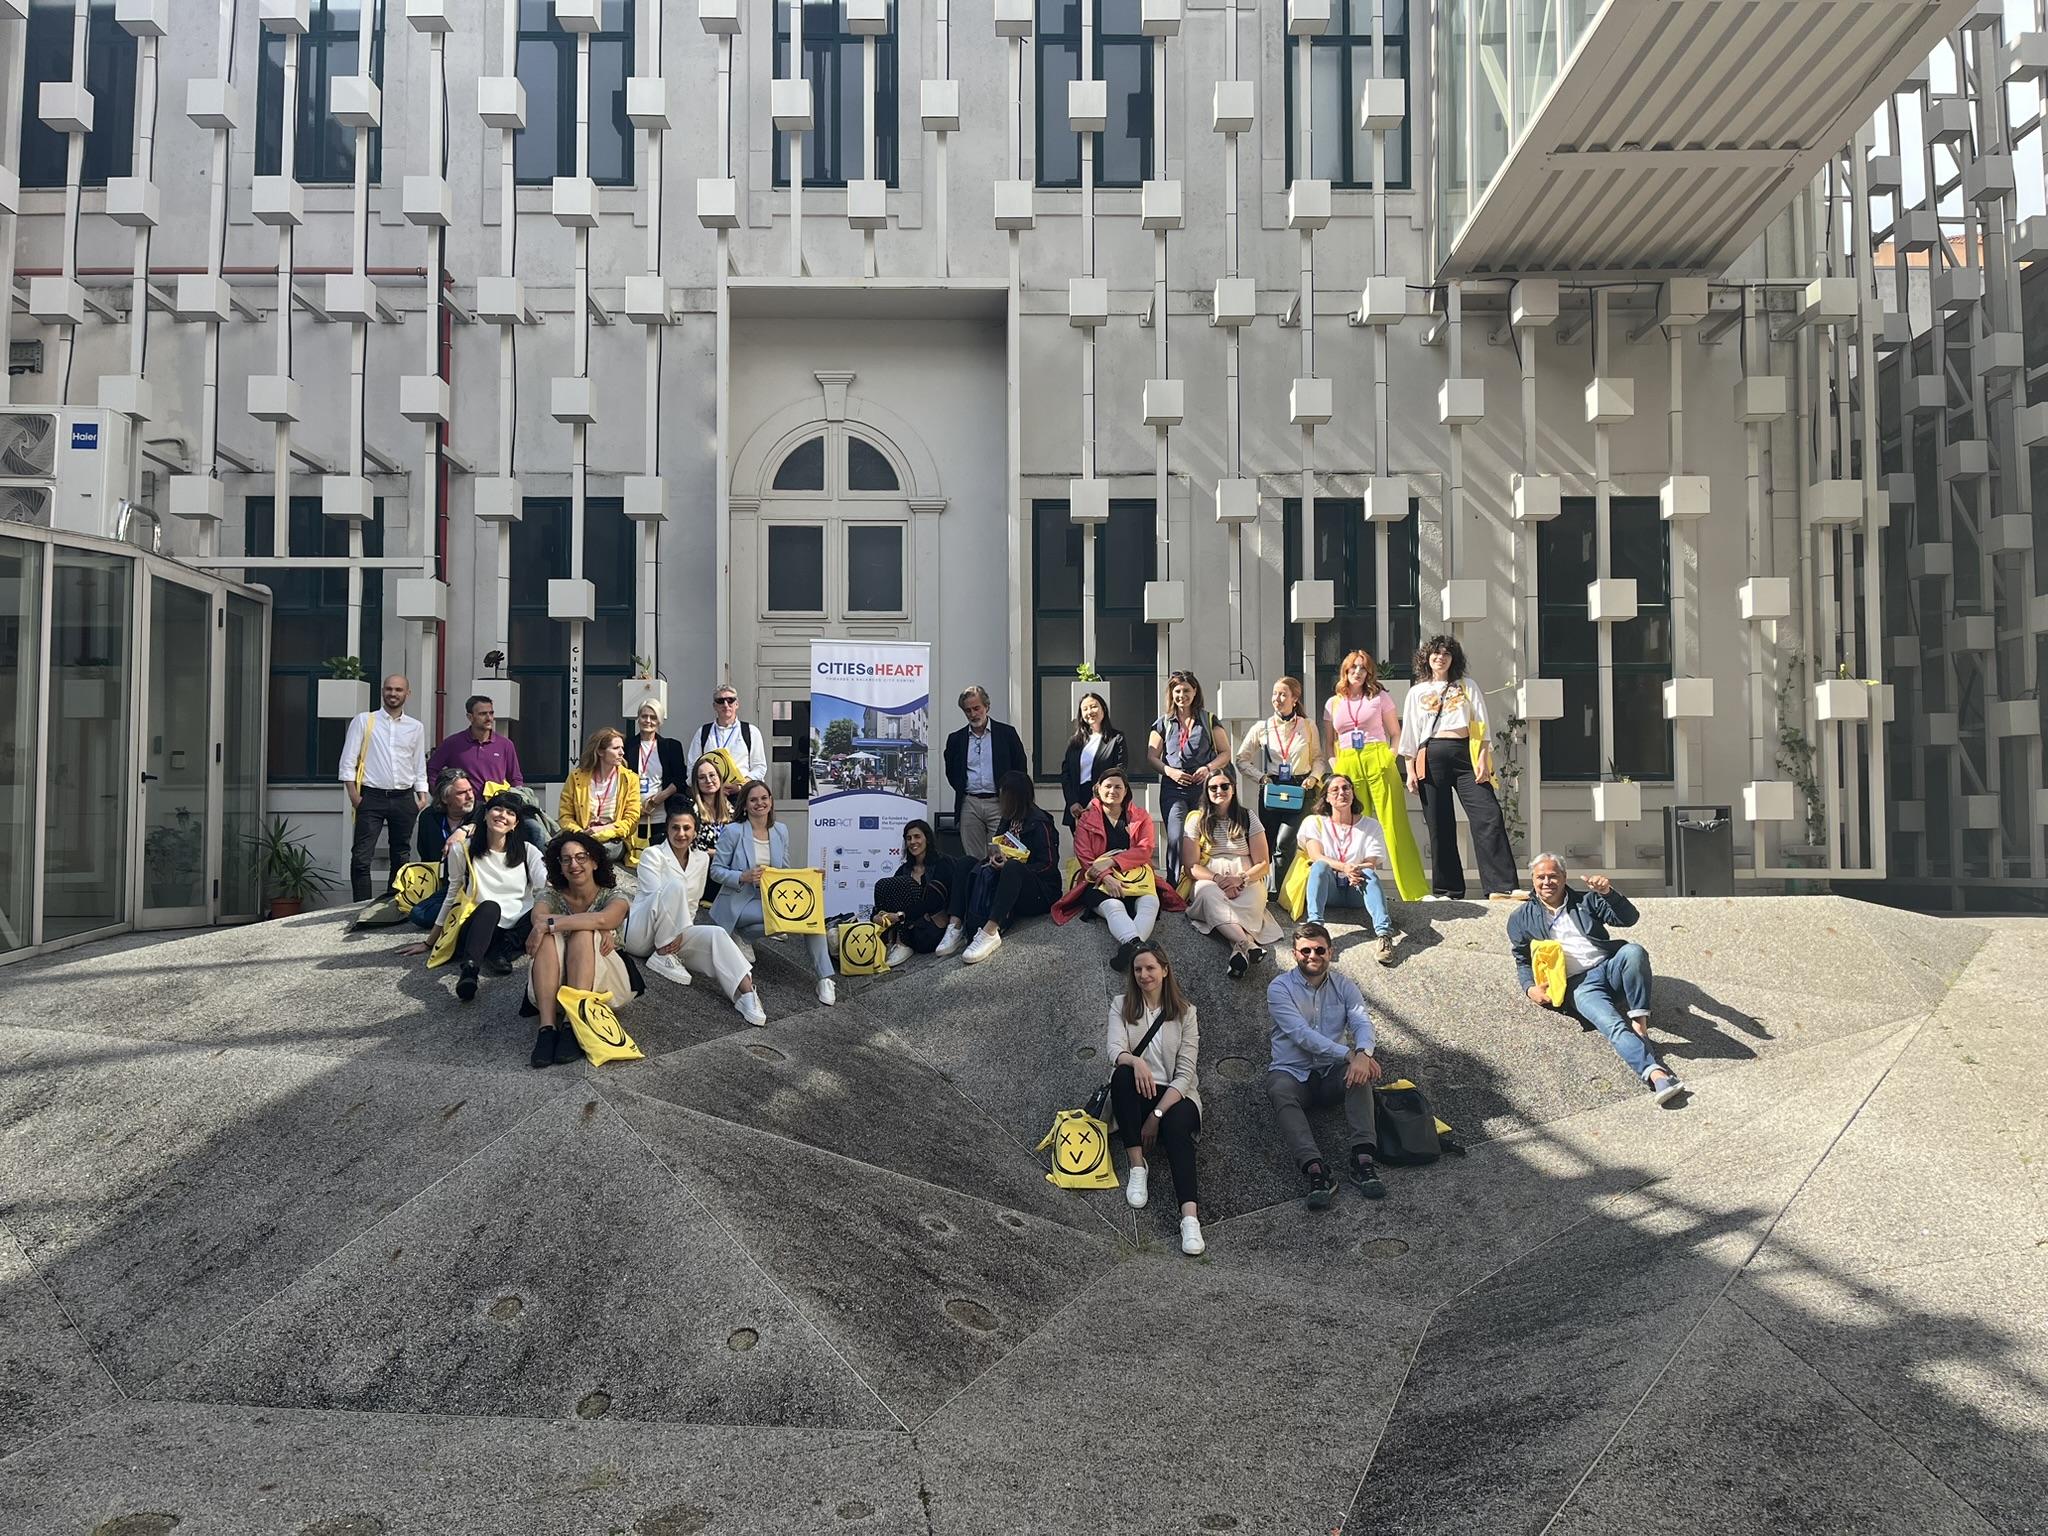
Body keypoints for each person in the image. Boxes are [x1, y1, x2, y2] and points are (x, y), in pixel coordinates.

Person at [1509, 853, 1688, 1105]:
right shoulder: (1521, 918)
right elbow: (1522, 959)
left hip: (1608, 967)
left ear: (1564, 877)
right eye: (1541, 877)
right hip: (1579, 985)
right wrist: (1529, 988)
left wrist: (1608, 893)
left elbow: (1629, 919)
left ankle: (1639, 1021)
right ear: (1533, 880)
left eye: (1553, 876)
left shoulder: (1585, 900)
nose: (1547, 881)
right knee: (1613, 1025)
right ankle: (1657, 1076)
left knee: (1633, 951)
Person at [1266, 921, 1386, 1208]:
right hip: (1293, 1073)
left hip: (1331, 1074)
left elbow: (1361, 1022)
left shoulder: (1345, 986)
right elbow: (1300, 1034)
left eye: (1320, 949)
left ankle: (1362, 1158)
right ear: (1294, 954)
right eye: (1305, 950)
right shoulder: (1279, 988)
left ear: (1330, 952)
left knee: (1361, 1072)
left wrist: (1364, 1053)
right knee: (1279, 1089)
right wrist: (1348, 1054)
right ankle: (1315, 1169)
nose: (1313, 955)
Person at [622, 808, 771, 1028]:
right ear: (667, 829)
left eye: (686, 828)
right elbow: (657, 895)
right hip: (640, 932)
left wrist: (681, 932)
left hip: (675, 932)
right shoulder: (652, 854)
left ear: (694, 832)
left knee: (717, 934)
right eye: (675, 827)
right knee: (675, 886)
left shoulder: (701, 859)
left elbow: (691, 906)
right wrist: (675, 932)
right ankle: (663, 955)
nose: (681, 833)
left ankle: (746, 995)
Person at [1401, 635, 1520, 901]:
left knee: (1488, 815)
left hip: (1466, 754)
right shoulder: (1416, 692)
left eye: (1446, 653)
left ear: (1453, 659)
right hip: (1430, 755)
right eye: (1435, 653)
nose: (1440, 658)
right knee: (1439, 824)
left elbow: (1481, 723)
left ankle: (1501, 886)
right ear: (1426, 658)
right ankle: (1448, 890)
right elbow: (1409, 733)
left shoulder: (1467, 686)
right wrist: (1409, 770)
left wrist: (1481, 760)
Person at [1107, 942, 1206, 1257]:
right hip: (1136, 1087)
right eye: (1138, 969)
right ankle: (1138, 1165)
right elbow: (1114, 1050)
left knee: (1177, 1129)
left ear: (1165, 970)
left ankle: (1189, 1219)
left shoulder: (1186, 1012)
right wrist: (1135, 1062)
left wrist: (1157, 1116)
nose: (1143, 975)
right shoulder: (1121, 1004)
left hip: (1176, 1095)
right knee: (1121, 1074)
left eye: (1150, 968)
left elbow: (1186, 1073)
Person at [710, 780, 838, 1006]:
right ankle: (741, 932)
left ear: (771, 801)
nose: (759, 803)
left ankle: (825, 978)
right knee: (793, 918)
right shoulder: (733, 831)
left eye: (764, 798)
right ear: (745, 805)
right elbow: (716, 871)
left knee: (812, 917)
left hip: (770, 900)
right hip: (739, 901)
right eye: (753, 799)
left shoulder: (780, 831)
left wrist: (811, 876)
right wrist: (743, 876)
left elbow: (784, 872)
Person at [1050, 767, 1184, 970]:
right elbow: (1085, 857)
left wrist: (1111, 862)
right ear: (1098, 789)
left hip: (1138, 878)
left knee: (1150, 902)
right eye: (1108, 786)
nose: (1113, 790)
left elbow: (1144, 851)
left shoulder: (1140, 817)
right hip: (1097, 882)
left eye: (1118, 787)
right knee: (1114, 907)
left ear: (1126, 790)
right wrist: (1107, 877)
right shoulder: (1086, 819)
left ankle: (1132, 950)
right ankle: (1140, 950)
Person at [525, 830, 637, 1070]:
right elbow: (538, 918)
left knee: (583, 933)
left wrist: (560, 925)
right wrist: (595, 923)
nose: (573, 864)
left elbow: (605, 919)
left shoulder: (614, 896)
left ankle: (573, 1023)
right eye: (566, 859)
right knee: (548, 937)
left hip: (605, 985)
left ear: (595, 862)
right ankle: (546, 1028)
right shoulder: (550, 894)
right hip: (553, 986)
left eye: (581, 857)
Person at [428, 791, 545, 1002]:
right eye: (498, 809)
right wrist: (431, 941)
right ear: (485, 814)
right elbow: (453, 893)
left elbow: (545, 883)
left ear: (516, 823)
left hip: (516, 932)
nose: (502, 815)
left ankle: (502, 950)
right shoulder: (463, 850)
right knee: (491, 906)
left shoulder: (528, 851)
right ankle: (470, 971)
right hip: (479, 926)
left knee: (540, 908)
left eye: (510, 813)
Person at [933, 769, 1060, 964]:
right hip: (1007, 884)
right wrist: (993, 859)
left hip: (1039, 891)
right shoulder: (1008, 820)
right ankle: (956, 925)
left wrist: (1016, 867)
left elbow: (1049, 865)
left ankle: (991, 930)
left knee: (1013, 868)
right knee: (966, 862)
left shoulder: (1039, 823)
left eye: (1003, 792)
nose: (999, 797)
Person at [337, 673, 429, 903]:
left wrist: (422, 794)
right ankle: (360, 906)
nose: (393, 693)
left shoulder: (415, 727)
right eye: (389, 689)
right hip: (372, 796)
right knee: (361, 857)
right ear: (382, 692)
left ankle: (392, 904)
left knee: (401, 855)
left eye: (398, 690)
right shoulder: (364, 720)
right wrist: (354, 796)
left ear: (407, 694)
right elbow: (349, 759)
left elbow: (418, 762)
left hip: (404, 797)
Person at [1181, 770, 1281, 979]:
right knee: (1208, 897)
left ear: (1233, 789)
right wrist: (1218, 880)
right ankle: (1246, 944)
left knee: (1250, 902)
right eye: (1213, 787)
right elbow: (1190, 866)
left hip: (1247, 879)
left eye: (1225, 786)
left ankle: (1240, 951)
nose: (1219, 791)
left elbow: (1263, 863)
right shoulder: (1196, 820)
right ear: (1206, 792)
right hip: (1209, 879)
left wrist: (1241, 880)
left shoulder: (1248, 817)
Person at [1298, 775, 1399, 966]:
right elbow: (1315, 856)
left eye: (1346, 788)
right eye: (1334, 790)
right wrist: (1345, 867)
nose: (1341, 793)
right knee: (1319, 867)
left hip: (1356, 888)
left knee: (1369, 873)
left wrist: (1356, 870)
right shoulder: (1314, 822)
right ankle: (1315, 931)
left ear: (1353, 793)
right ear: (1326, 798)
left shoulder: (1371, 825)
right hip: (1329, 890)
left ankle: (1384, 935)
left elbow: (1371, 862)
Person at [1236, 675, 1323, 895]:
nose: (1277, 698)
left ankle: (1280, 892)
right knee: (1267, 842)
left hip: (1301, 789)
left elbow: (1319, 759)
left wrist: (1313, 778)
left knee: (1286, 842)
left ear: (1295, 698)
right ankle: (1262, 891)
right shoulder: (1262, 727)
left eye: (1283, 694)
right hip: (1272, 789)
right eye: (1275, 693)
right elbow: (1241, 759)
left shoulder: (1308, 725)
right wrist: (1261, 777)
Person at [1148, 670, 1229, 885]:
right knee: (1176, 838)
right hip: (1173, 790)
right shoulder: (1163, 723)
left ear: (1195, 692)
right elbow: (1152, 757)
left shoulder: (1209, 720)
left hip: (1204, 789)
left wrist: (1208, 768)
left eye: (1186, 690)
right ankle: (1173, 889)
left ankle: (1203, 884)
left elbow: (1226, 753)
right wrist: (1170, 771)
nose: (1181, 695)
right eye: (1177, 691)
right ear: (1171, 694)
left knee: (1203, 838)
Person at [943, 685, 1029, 862]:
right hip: (970, 803)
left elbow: (1020, 767)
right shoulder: (956, 739)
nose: (973, 714)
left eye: (976, 708)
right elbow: (952, 772)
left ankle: (996, 889)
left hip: (1000, 803)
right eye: (968, 711)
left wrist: (1010, 796)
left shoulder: (1007, 734)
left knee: (1002, 855)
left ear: (986, 707)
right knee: (973, 857)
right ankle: (977, 889)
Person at [872, 818, 962, 964]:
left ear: (927, 839)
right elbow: (888, 897)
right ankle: (899, 943)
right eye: (908, 838)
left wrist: (900, 916)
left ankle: (903, 943)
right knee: (885, 885)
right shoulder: (904, 869)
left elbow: (933, 902)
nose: (913, 842)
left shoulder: (943, 863)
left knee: (909, 885)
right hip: (908, 926)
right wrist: (878, 915)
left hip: (933, 928)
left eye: (917, 836)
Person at [558, 728, 643, 866]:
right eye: (615, 748)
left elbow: (631, 820)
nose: (622, 752)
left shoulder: (630, 779)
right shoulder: (576, 777)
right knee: (553, 849)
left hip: (613, 839)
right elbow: (565, 816)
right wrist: (581, 834)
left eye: (622, 747)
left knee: (596, 853)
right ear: (600, 751)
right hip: (581, 836)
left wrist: (603, 830)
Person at [425, 693, 525, 797]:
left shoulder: (505, 744)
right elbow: (432, 769)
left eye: (491, 713)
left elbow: (515, 779)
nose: (488, 718)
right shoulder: (453, 743)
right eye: (482, 714)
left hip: (495, 807)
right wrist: (440, 795)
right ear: (470, 717)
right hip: (464, 808)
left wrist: (515, 802)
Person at [684, 685, 769, 801]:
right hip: (710, 797)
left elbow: (760, 767)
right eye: (720, 701)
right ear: (714, 706)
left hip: (741, 795)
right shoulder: (703, 732)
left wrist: (741, 785)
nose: (726, 705)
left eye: (730, 700)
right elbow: (692, 768)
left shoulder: (750, 731)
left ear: (737, 704)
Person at [1059, 691, 1126, 832]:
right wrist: (1072, 802)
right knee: (1082, 849)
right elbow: (1066, 774)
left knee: (1103, 850)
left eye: (1094, 706)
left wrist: (1096, 800)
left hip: (1104, 801)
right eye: (1085, 709)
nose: (1090, 712)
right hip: (1078, 802)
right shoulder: (1075, 741)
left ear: (1103, 709)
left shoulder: (1116, 738)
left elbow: (1119, 771)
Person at [630, 700, 689, 835]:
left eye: (653, 717)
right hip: (633, 815)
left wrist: (661, 797)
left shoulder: (671, 746)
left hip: (662, 814)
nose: (648, 721)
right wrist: (635, 807)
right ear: (638, 718)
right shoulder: (627, 746)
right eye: (644, 716)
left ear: (659, 721)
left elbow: (680, 778)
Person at [689, 752, 739, 907]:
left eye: (712, 775)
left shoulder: (734, 808)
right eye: (702, 777)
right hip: (705, 870)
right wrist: (718, 853)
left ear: (720, 777)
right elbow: (689, 847)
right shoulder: (691, 809)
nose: (708, 780)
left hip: (731, 867)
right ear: (696, 782)